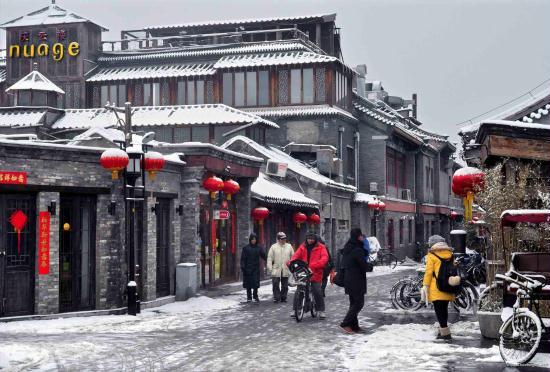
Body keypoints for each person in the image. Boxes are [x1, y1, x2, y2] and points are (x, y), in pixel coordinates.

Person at [421, 235, 456, 340]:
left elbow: (428, 273)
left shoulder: (431, 256)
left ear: (433, 244)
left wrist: (425, 286)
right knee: (444, 309)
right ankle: (443, 331)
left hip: (436, 287)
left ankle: (445, 333)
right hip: (447, 286)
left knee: (439, 310)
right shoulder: (450, 254)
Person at [289, 231, 328, 319]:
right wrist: (291, 262)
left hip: (315, 272)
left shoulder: (321, 247)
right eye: (309, 238)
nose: (310, 240)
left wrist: (315, 266)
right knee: (299, 289)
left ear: (315, 239)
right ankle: (296, 309)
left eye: (312, 238)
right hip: (304, 271)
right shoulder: (302, 247)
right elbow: (296, 256)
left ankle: (321, 310)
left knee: (317, 290)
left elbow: (324, 258)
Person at [339, 228, 369, 334]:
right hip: (356, 280)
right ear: (358, 236)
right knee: (359, 303)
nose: (362, 237)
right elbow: (363, 265)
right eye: (361, 235)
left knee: (353, 303)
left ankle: (354, 326)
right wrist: (370, 266)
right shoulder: (357, 249)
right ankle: (345, 323)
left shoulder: (349, 247)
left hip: (349, 279)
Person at [267, 232, 294, 303]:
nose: (284, 240)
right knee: (275, 284)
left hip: (285, 268)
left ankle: (283, 297)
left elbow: (293, 257)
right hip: (276, 268)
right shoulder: (273, 247)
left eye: (284, 238)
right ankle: (276, 297)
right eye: (282, 239)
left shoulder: (289, 246)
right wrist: (270, 268)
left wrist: (292, 266)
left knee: (285, 285)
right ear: (278, 239)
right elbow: (270, 258)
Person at [241, 233, 267, 303]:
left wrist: (270, 261)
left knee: (256, 283)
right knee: (248, 284)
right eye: (252, 239)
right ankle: (249, 297)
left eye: (255, 239)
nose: (253, 241)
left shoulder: (259, 248)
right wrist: (243, 267)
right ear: (250, 240)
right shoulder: (246, 248)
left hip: (255, 268)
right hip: (247, 268)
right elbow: (243, 258)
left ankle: (255, 296)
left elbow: (264, 256)